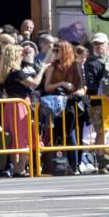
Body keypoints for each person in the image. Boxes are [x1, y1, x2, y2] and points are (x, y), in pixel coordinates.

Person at [0, 44, 41, 177]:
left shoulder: (6, 72)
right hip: (20, 106)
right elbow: (35, 83)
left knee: (14, 136)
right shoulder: (17, 73)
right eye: (20, 53)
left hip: (11, 106)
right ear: (15, 55)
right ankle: (20, 168)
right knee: (23, 136)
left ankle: (17, 167)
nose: (23, 54)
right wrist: (43, 68)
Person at [42, 40, 87, 172]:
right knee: (56, 134)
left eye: (57, 50)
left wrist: (77, 92)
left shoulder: (75, 66)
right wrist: (61, 83)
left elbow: (83, 87)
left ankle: (76, 164)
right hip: (56, 104)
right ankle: (59, 164)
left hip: (72, 104)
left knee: (71, 133)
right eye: (54, 50)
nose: (55, 53)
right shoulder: (52, 67)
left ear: (65, 51)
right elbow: (47, 87)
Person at [84, 33, 109, 174]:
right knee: (101, 132)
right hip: (98, 103)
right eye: (96, 44)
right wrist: (105, 92)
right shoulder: (90, 63)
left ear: (107, 44)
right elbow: (91, 84)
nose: (98, 46)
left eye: (101, 43)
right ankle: (101, 164)